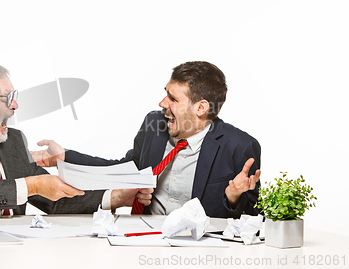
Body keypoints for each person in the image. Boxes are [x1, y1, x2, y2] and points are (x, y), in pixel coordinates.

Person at [0, 59, 152, 220]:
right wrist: (31, 185)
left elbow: (51, 199)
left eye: (15, 95)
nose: (15, 105)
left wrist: (117, 197)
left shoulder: (12, 141)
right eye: (6, 97)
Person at [32, 61, 261, 218]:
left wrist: (232, 199)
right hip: (144, 237)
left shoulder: (239, 147)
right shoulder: (155, 126)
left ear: (201, 107)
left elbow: (252, 222)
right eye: (165, 93)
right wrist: (64, 157)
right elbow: (123, 170)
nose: (162, 103)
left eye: (173, 98)